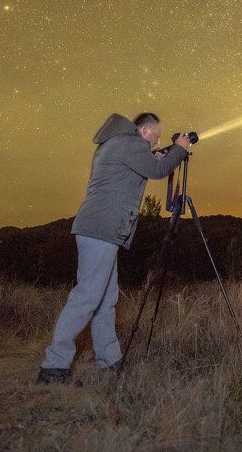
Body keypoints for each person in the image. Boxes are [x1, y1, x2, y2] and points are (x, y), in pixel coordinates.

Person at [37, 111, 193, 383]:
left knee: (105, 300)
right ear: (145, 131)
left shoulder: (118, 143)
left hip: (99, 230)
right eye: (156, 136)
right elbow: (157, 171)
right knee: (87, 297)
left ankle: (109, 360)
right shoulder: (129, 143)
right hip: (102, 230)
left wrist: (158, 155)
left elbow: (142, 166)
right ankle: (54, 366)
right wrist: (179, 149)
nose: (157, 141)